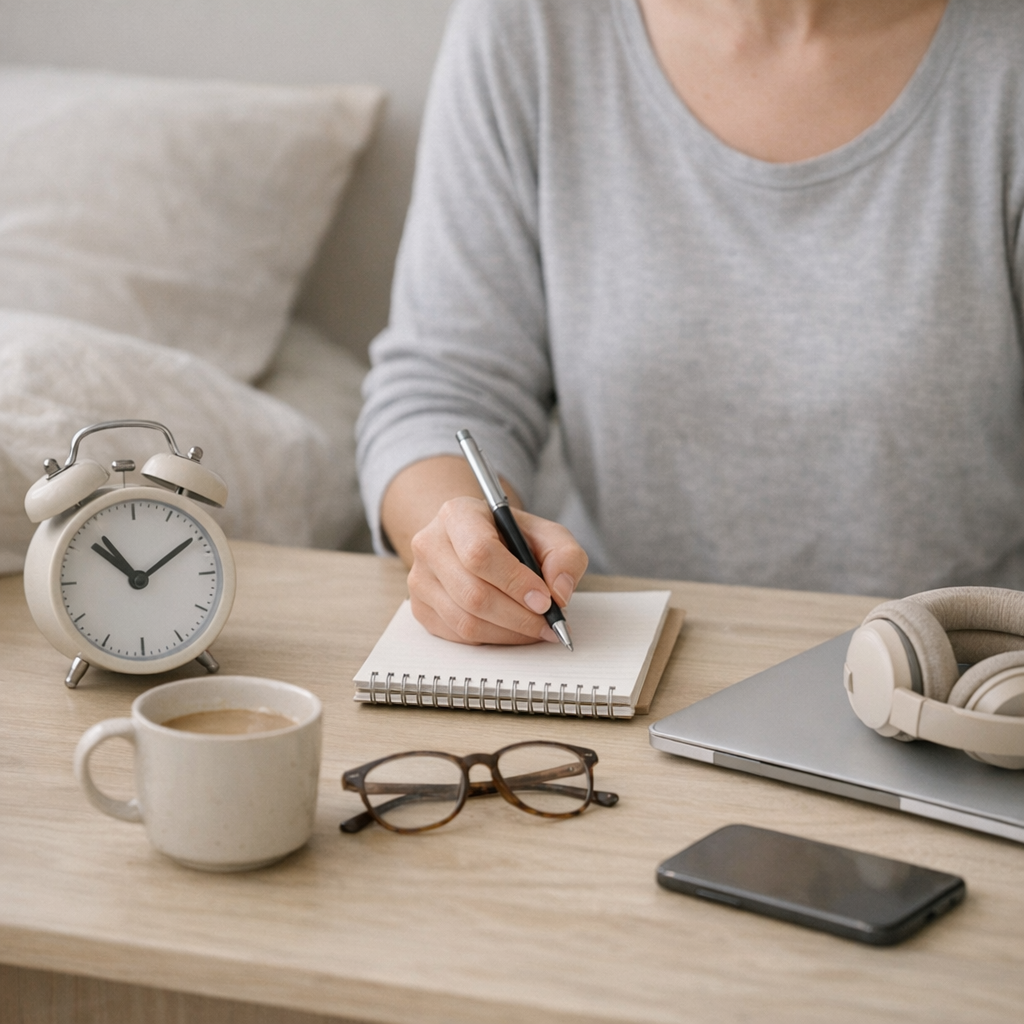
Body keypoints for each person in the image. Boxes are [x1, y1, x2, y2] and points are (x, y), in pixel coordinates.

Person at [357, 0, 1024, 646]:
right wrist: (464, 550)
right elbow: (444, 389)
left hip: (961, 692)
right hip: (613, 665)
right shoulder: (530, 24)